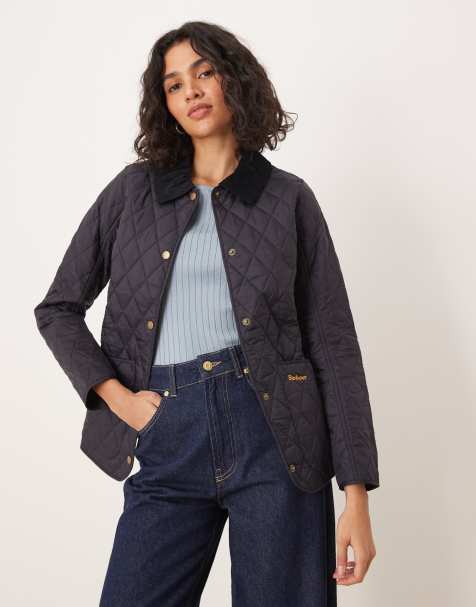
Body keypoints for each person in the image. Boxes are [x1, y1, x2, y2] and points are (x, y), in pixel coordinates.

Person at [34, 20, 379, 607]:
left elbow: (333, 345)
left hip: (276, 436)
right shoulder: (133, 193)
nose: (191, 90)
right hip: (168, 430)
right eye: (174, 85)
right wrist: (119, 399)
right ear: (165, 105)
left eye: (204, 73)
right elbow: (58, 308)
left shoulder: (288, 198)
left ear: (233, 80)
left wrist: (356, 496)